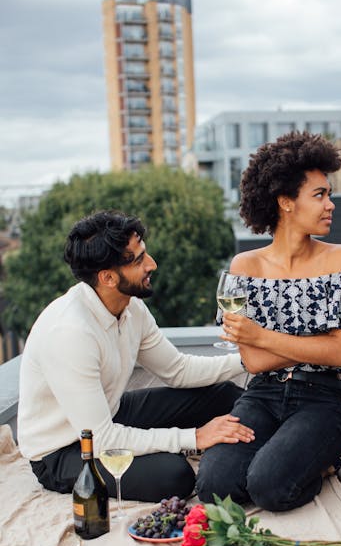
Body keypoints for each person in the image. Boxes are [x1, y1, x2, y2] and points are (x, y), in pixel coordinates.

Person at [17, 210, 254, 502]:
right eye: (138, 260)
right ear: (107, 277)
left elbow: (177, 370)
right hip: (63, 450)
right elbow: (103, 439)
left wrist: (247, 360)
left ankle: (261, 454)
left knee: (224, 397)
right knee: (174, 476)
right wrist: (194, 437)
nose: (151, 264)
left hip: (109, 414)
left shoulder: (131, 307)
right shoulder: (70, 332)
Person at [196, 131, 341, 512]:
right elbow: (254, 362)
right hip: (261, 394)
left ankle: (325, 457)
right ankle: (307, 460)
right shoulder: (244, 268)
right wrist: (319, 340)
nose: (331, 205)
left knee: (270, 488)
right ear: (285, 202)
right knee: (214, 487)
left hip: (323, 399)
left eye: (329, 194)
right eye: (319, 195)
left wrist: (261, 334)